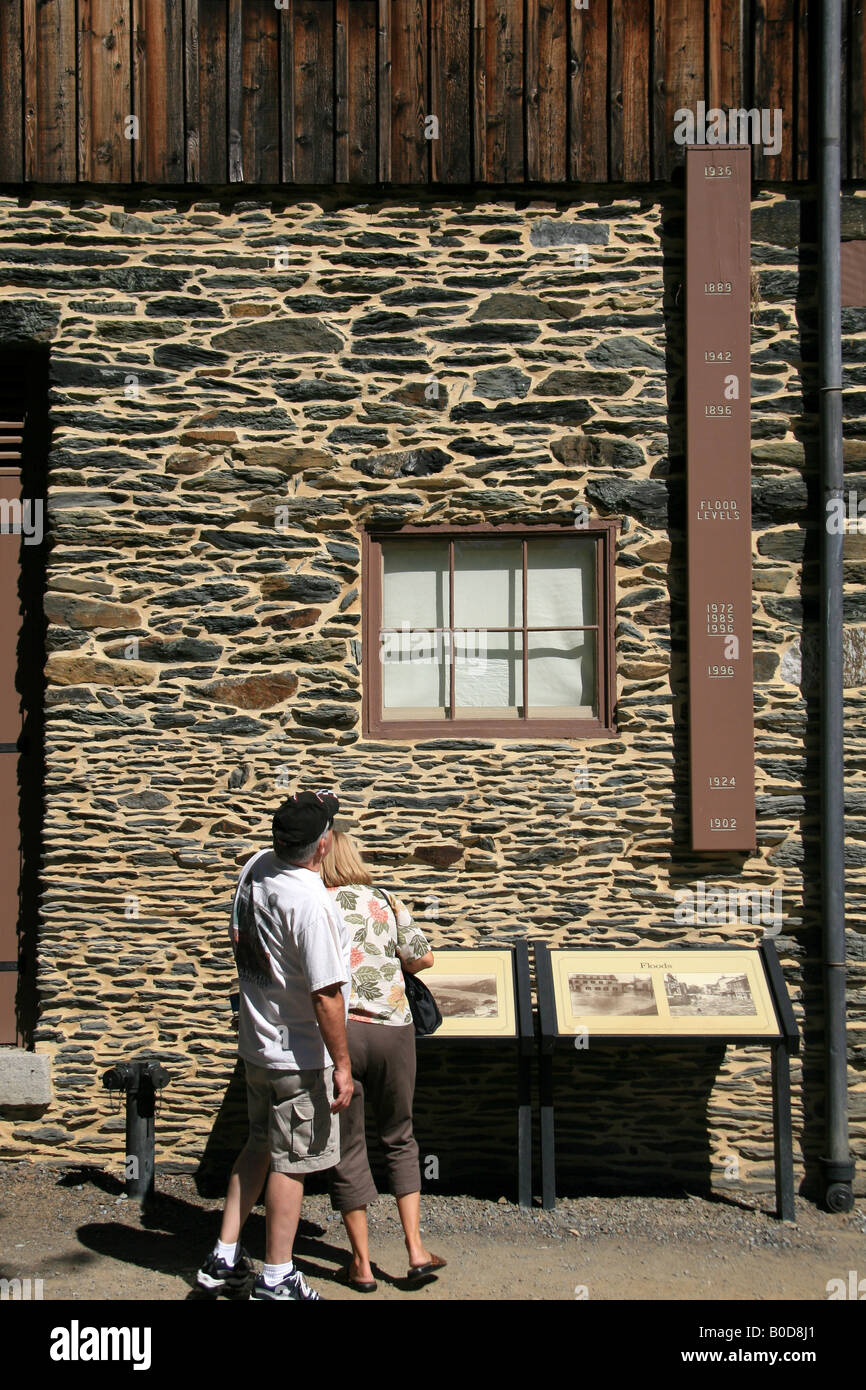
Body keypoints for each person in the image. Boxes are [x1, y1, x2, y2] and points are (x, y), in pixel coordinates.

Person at [196, 790, 353, 1302]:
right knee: (294, 1161)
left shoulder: (256, 867)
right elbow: (327, 995)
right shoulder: (311, 902)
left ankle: (223, 1256)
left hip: (257, 1043)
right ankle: (277, 1274)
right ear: (324, 844)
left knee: (259, 1143)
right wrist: (342, 1065)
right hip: (298, 1052)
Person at [321, 830, 447, 1291]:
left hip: (342, 1031)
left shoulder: (316, 901)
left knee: (348, 1144)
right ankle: (415, 1250)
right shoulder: (384, 897)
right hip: (393, 1028)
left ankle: (362, 1263)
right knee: (400, 1135)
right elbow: (422, 958)